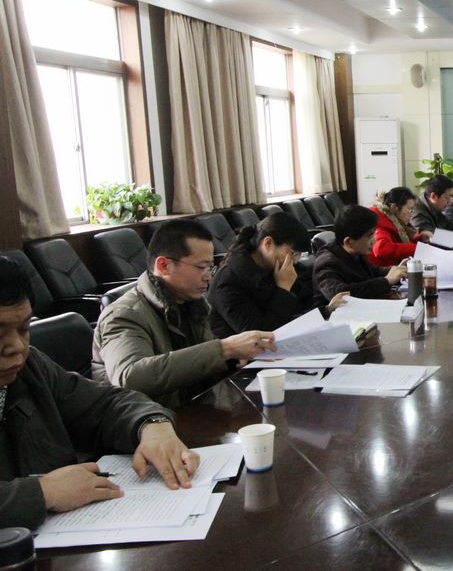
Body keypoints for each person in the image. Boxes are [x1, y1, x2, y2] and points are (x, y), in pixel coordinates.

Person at [0, 257, 199, 530]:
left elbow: (104, 404)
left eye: (23, 329)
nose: (16, 346)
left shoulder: (31, 368)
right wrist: (41, 493)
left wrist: (151, 424)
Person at [93, 220, 277, 408]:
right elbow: (130, 377)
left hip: (195, 409)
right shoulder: (124, 314)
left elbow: (197, 369)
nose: (208, 276)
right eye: (201, 267)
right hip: (146, 421)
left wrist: (232, 359)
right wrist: (225, 349)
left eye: (210, 267)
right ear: (163, 265)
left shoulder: (192, 304)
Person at [206, 212, 346, 338]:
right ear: (268, 243)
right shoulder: (228, 281)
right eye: (293, 253)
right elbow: (261, 334)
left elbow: (302, 305)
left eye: (298, 255)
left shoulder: (275, 267)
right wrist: (283, 290)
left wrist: (327, 309)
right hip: (247, 355)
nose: (295, 261)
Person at [315, 204, 408, 299]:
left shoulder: (354, 250)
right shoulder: (327, 264)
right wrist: (386, 281)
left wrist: (398, 270)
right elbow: (341, 294)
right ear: (349, 242)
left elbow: (373, 271)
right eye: (369, 235)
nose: (374, 240)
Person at [369, 186, 432, 267]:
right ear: (394, 207)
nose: (412, 214)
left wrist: (420, 239)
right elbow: (381, 249)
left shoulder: (394, 223)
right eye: (410, 209)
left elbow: (398, 243)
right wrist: (418, 249)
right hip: (382, 272)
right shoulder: (381, 224)